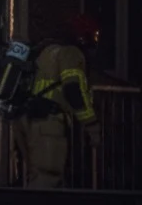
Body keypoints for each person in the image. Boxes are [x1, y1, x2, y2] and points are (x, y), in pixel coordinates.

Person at [13, 13, 102, 189]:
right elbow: (73, 90)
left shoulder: (46, 51)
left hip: (27, 119)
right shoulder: (71, 53)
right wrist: (91, 123)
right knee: (47, 178)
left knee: (39, 178)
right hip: (48, 122)